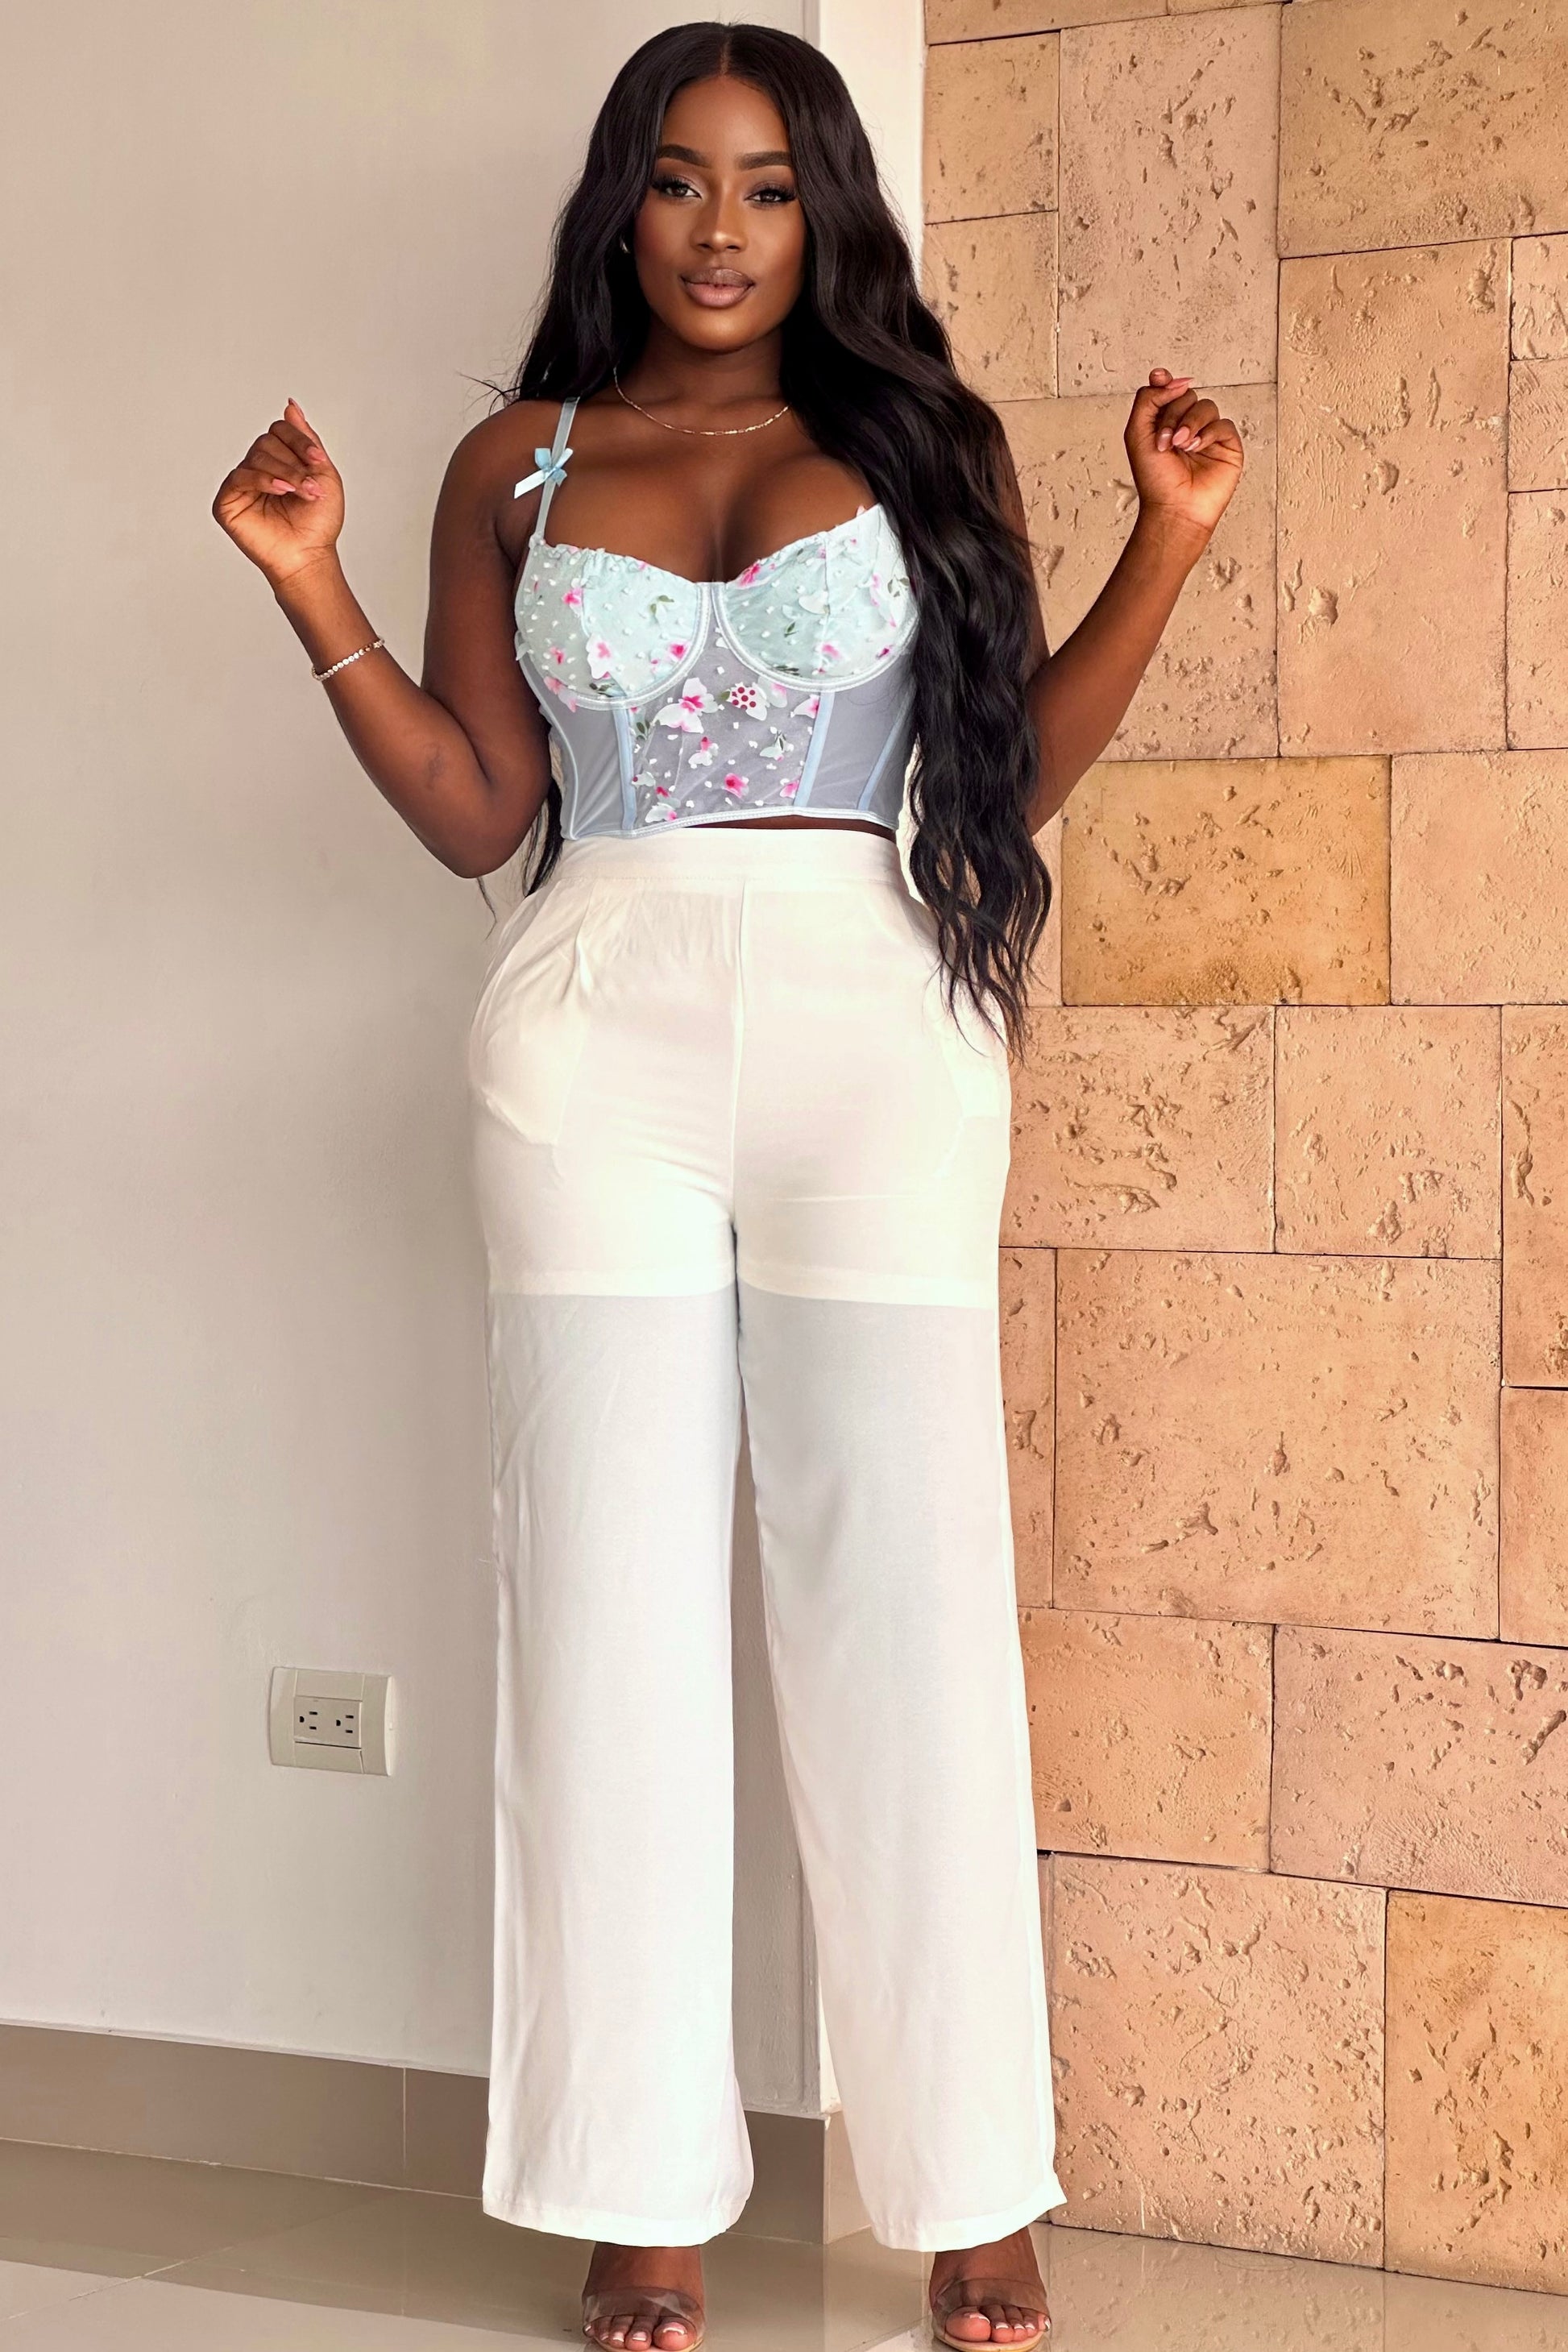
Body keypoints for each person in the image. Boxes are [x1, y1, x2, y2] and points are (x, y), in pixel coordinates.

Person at [213, 21, 1242, 2350]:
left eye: (768, 187)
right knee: (603, 1603)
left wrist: (1165, 546)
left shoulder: (920, 441)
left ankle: (970, 2180)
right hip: (598, 1032)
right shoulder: (517, 460)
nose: (717, 230)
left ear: (822, 211)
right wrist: (309, 582)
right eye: (678, 181)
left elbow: (1002, 773)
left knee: (907, 1601)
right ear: (622, 202)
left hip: (875, 1023)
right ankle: (637, 2189)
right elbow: (483, 810)